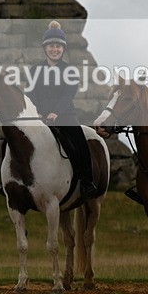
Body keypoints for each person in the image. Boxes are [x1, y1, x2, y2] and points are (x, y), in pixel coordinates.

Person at [27, 21, 98, 199]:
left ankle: (87, 180)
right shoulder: (35, 69)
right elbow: (30, 92)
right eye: (51, 46)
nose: (55, 49)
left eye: (58, 46)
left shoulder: (70, 71)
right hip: (39, 115)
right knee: (13, 139)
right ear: (45, 48)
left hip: (64, 114)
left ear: (62, 49)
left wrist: (56, 112)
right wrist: (38, 112)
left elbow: (68, 95)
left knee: (80, 140)